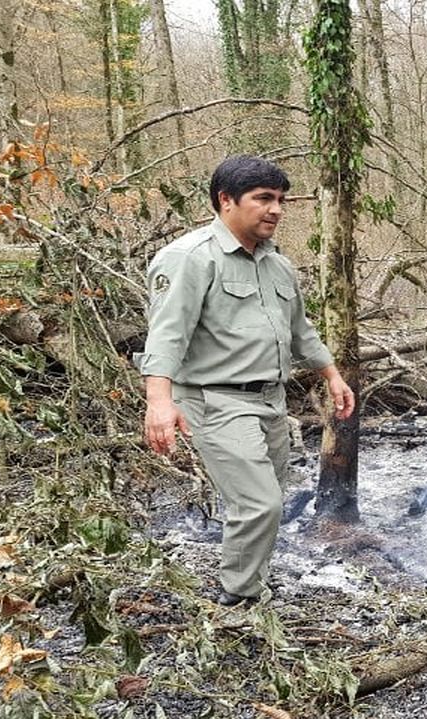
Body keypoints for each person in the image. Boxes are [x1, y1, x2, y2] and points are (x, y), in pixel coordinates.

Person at [136, 155, 355, 606]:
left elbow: (300, 330)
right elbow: (166, 334)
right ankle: (239, 597)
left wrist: (332, 375)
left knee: (265, 498)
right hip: (214, 400)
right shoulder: (188, 259)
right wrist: (159, 402)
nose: (275, 209)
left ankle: (249, 581)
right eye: (263, 199)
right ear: (226, 200)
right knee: (260, 504)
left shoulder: (277, 265)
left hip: (271, 400)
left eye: (280, 200)